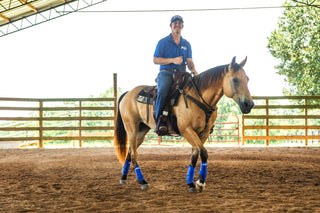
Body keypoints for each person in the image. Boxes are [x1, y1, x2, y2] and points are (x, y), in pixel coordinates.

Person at [153, 15, 198, 135]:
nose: (177, 25)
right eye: (175, 23)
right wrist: (172, 60)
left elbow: (189, 60)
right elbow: (155, 60)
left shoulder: (186, 44)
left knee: (194, 89)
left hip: (181, 73)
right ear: (170, 26)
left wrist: (193, 69)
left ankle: (195, 119)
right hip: (166, 72)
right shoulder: (162, 42)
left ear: (182, 26)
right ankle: (160, 120)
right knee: (163, 90)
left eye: (179, 23)